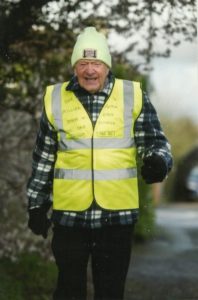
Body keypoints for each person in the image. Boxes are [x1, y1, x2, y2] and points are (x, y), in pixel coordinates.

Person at [27, 26, 173, 300]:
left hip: (116, 217)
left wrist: (158, 161)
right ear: (74, 67)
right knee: (69, 291)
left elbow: (156, 142)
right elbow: (44, 157)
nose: (90, 70)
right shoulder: (55, 98)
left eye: (96, 63)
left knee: (110, 292)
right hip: (70, 217)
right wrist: (36, 205)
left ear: (107, 66)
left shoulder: (132, 95)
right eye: (83, 63)